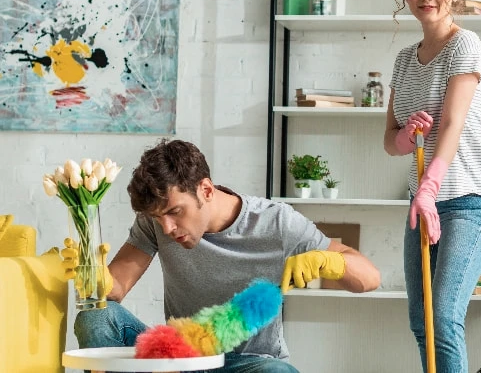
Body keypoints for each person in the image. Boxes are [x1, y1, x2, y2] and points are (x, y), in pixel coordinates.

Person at [67, 138, 380, 373]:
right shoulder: (158, 221)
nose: (168, 227)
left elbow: (369, 279)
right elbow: (115, 288)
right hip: (179, 360)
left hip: (249, 364)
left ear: (205, 189)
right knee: (96, 316)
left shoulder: (276, 222)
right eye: (159, 217)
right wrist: (90, 273)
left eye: (176, 212)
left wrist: (330, 260)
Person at [383, 0, 481, 373]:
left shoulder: (464, 46)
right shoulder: (402, 60)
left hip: (468, 201)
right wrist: (406, 135)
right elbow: (389, 138)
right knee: (422, 323)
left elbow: (451, 126)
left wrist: (430, 188)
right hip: (422, 205)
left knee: (445, 317)